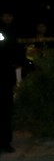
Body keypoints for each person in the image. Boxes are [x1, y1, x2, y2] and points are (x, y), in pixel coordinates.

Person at [0, 9, 21, 153]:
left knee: (6, 111)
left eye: (10, 16)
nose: (8, 18)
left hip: (6, 76)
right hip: (4, 74)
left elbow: (15, 52)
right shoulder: (4, 31)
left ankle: (5, 142)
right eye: (5, 16)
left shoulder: (12, 31)